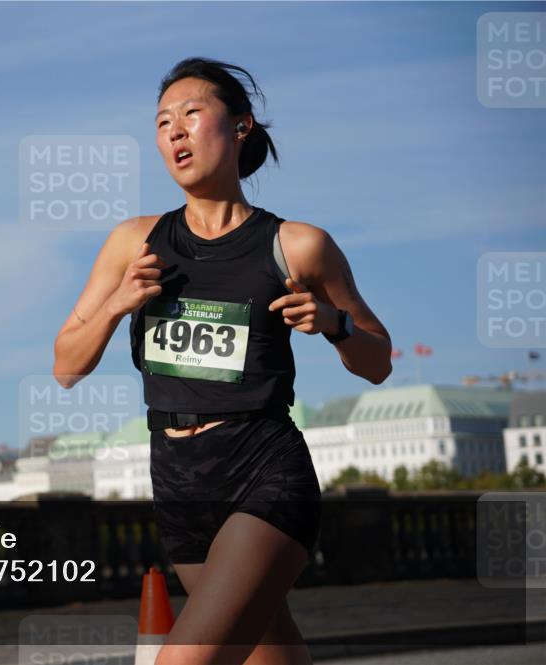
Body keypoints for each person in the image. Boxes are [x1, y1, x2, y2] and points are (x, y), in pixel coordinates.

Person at [52, 57, 392, 665]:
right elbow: (66, 366)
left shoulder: (296, 245)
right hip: (178, 480)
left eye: (191, 114)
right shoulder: (136, 241)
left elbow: (378, 361)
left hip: (264, 470)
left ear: (240, 128)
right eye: (161, 123)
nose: (174, 132)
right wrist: (118, 303)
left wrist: (334, 324)